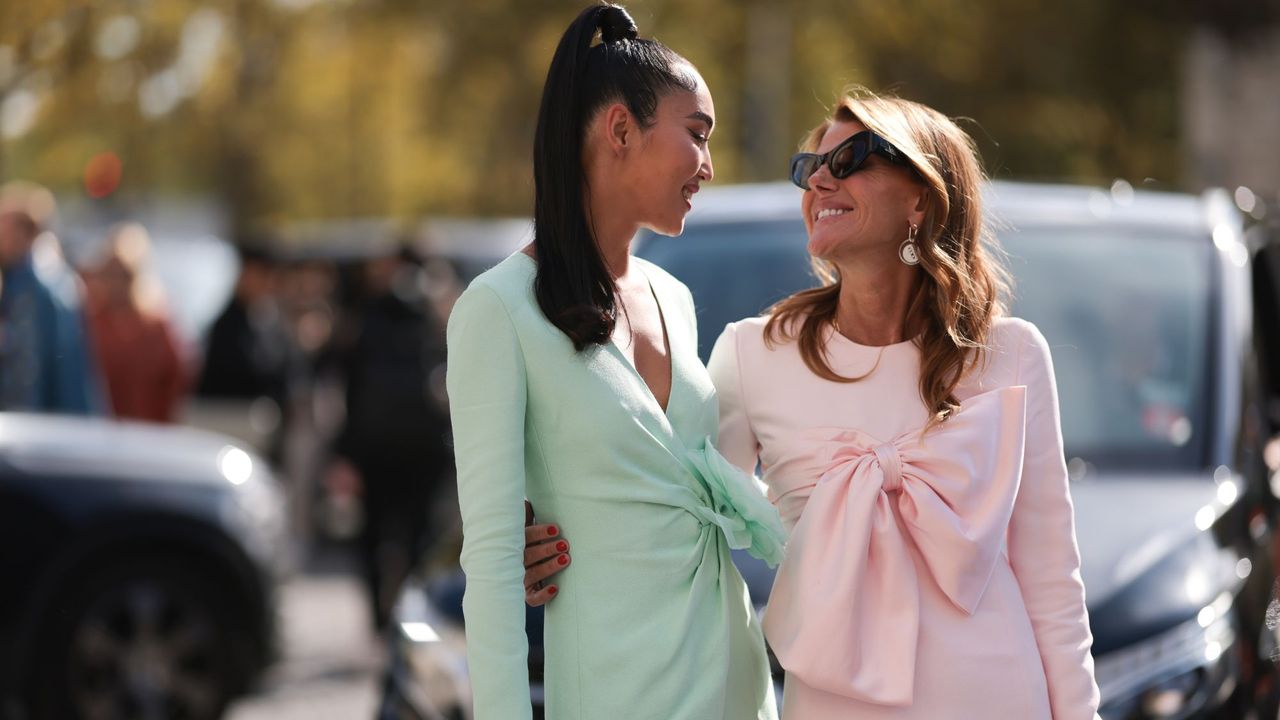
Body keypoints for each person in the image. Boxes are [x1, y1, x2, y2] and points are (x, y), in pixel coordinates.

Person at [530, 92, 1102, 719]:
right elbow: (664, 508)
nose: (821, 178)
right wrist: (552, 538)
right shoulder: (753, 355)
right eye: (810, 168)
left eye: (852, 157)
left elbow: (1053, 589)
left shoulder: (1012, 354)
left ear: (921, 196)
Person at [445, 5, 783, 720]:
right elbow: (495, 563)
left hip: (732, 674)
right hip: (616, 689)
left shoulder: (676, 298)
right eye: (696, 135)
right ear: (620, 130)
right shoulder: (497, 310)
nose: (709, 166)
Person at [330, 246, 452, 630]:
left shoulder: (366, 316)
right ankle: (411, 612)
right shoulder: (435, 314)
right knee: (420, 535)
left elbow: (346, 389)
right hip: (425, 448)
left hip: (374, 447)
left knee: (374, 536)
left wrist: (344, 452)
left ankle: (378, 616)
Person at [0, 181, 103, 414]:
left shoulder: (43, 290)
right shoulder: (24, 281)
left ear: (24, 232)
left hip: (37, 429)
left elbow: (34, 374)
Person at [83, 222, 189, 422]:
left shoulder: (156, 323)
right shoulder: (90, 319)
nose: (116, 283)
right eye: (110, 274)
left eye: (123, 275)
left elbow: (174, 378)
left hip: (146, 429)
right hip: (100, 428)